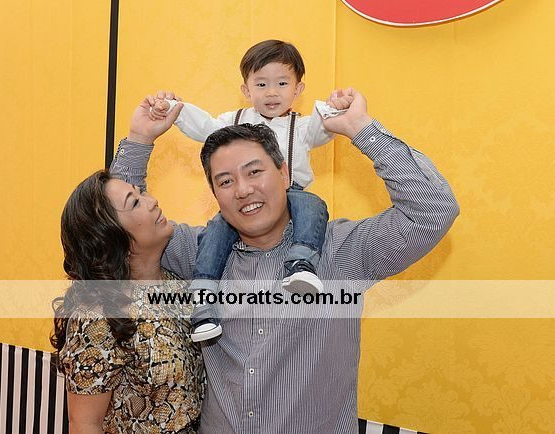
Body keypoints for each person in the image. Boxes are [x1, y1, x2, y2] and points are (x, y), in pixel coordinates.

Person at [110, 88, 459, 433]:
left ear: (284, 173)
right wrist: (140, 138)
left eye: (254, 172)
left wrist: (362, 129)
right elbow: (118, 220)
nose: (243, 190)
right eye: (225, 181)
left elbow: (433, 211)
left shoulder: (341, 251)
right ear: (214, 194)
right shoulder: (201, 254)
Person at [150, 40, 340, 342]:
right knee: (215, 232)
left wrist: (334, 108)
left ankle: (301, 263)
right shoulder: (234, 121)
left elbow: (323, 128)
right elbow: (205, 126)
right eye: (261, 84)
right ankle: (203, 296)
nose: (272, 92)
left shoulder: (301, 127)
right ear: (246, 90)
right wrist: (176, 110)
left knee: (313, 205)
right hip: (242, 210)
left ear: (298, 90)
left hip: (294, 195)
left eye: (282, 83)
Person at [51, 101, 204, 433]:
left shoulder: (177, 283)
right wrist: (138, 137)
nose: (152, 200)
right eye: (136, 201)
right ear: (112, 237)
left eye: (141, 194)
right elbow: (84, 424)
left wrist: (142, 135)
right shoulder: (98, 314)